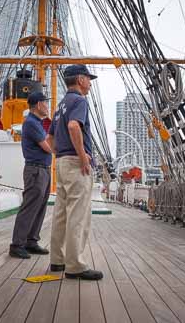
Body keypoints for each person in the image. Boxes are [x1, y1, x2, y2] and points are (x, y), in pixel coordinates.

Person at [48, 64, 103, 280]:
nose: (89, 83)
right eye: (88, 79)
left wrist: (60, 155)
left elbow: (49, 138)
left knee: (61, 213)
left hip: (61, 162)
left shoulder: (60, 105)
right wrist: (81, 156)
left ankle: (57, 260)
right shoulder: (80, 101)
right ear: (80, 79)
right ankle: (75, 266)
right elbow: (73, 126)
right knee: (78, 215)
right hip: (75, 162)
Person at [9, 92, 52, 259]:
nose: (47, 106)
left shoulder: (38, 123)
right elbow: (47, 146)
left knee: (40, 207)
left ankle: (31, 241)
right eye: (46, 103)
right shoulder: (32, 123)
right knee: (29, 207)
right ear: (39, 104)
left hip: (43, 170)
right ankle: (17, 245)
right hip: (35, 170)